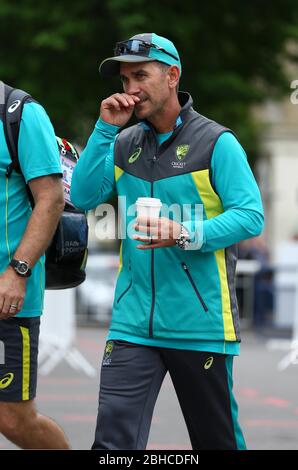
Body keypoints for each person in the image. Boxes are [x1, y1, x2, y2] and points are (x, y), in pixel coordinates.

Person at [71, 33, 264, 450]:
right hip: (131, 325)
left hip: (200, 326)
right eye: (125, 80)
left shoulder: (217, 142)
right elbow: (84, 197)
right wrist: (104, 129)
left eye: (140, 75)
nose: (130, 89)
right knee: (111, 446)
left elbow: (251, 216)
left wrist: (186, 233)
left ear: (172, 75)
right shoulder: (122, 143)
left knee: (216, 442)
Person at [0, 81, 70, 449]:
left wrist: (18, 271)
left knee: (13, 419)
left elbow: (51, 199)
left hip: (6, 297)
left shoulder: (20, 113)